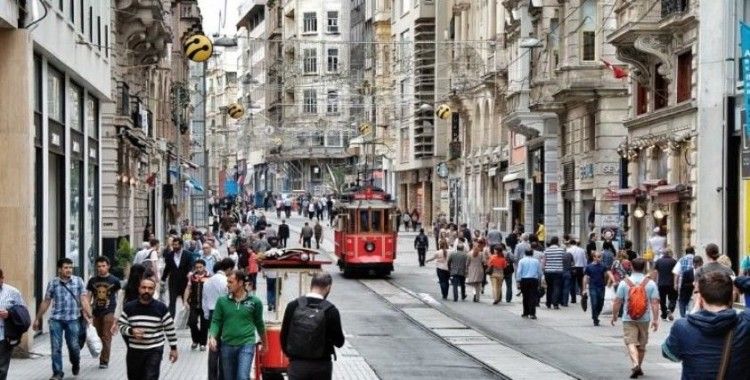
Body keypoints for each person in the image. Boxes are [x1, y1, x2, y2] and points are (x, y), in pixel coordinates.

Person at [662, 271, 750, 379]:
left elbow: (669, 354)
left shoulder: (682, 327)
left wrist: (692, 313)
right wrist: (737, 281)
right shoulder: (746, 323)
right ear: (731, 297)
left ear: (701, 299)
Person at [33, 258, 92, 380]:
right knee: (56, 347)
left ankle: (75, 363)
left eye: (70, 267)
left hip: (73, 319)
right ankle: (57, 372)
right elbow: (46, 301)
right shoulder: (53, 283)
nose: (69, 270)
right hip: (56, 319)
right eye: (66, 267)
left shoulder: (78, 281)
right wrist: (37, 318)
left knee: (74, 346)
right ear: (59, 269)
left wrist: (89, 315)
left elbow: (84, 300)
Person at [281, 273, 345, 380]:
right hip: (321, 366)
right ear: (328, 287)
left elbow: (284, 336)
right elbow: (339, 342)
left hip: (297, 365)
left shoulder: (293, 305)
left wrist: (292, 356)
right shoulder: (331, 310)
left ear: (311, 285)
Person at [208, 270, 267, 380]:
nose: (227, 285)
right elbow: (216, 321)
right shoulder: (222, 301)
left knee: (242, 377)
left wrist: (265, 343)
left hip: (246, 343)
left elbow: (259, 323)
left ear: (240, 283)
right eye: (227, 282)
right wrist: (212, 336)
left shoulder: (255, 302)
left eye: (231, 282)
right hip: (227, 345)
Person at [117, 278, 178, 380]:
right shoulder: (129, 307)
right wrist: (131, 331)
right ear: (139, 289)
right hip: (135, 351)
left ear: (154, 290)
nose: (146, 291)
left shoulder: (161, 308)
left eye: (150, 288)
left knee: (150, 377)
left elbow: (169, 328)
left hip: (154, 349)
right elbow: (121, 325)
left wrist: (173, 348)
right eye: (144, 287)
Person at [611, 258, 660, 379]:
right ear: (644, 268)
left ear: (631, 267)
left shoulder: (624, 282)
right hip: (644, 318)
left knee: (630, 342)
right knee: (642, 345)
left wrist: (615, 315)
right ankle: (640, 366)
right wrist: (655, 319)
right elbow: (655, 302)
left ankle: (635, 364)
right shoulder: (651, 283)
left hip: (628, 318)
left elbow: (618, 301)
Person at [86, 256, 121, 369]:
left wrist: (118, 315)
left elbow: (119, 297)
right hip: (96, 311)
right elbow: (88, 297)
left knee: (106, 336)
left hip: (109, 310)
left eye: (103, 266)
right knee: (98, 335)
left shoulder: (114, 280)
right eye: (98, 266)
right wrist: (87, 312)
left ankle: (104, 361)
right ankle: (100, 354)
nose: (101, 268)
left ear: (108, 266)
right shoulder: (92, 281)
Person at [202, 258, 232, 380]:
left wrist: (206, 315)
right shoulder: (227, 281)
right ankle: (223, 376)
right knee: (224, 347)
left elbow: (204, 301)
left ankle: (212, 377)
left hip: (211, 313)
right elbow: (229, 298)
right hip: (224, 315)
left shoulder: (207, 282)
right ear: (228, 269)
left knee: (213, 347)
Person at [0, 268, 25, 379]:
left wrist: (9, 313)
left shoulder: (12, 292)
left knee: (1, 368)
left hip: (4, 335)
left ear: (2, 279)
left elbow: (23, 312)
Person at [184, 259, 210, 351]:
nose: (198, 269)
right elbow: (188, 288)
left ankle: (203, 343)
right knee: (192, 322)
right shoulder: (192, 276)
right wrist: (185, 301)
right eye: (197, 267)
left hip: (205, 305)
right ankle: (195, 340)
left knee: (204, 325)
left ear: (204, 267)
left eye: (200, 267)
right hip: (194, 303)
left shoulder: (209, 276)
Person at [161, 237, 192, 317]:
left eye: (176, 245)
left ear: (181, 245)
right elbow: (167, 268)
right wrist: (163, 279)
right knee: (172, 301)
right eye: (173, 245)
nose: (174, 246)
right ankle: (171, 319)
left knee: (186, 300)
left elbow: (190, 267)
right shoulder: (169, 255)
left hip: (184, 282)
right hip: (173, 282)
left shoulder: (188, 254)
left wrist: (190, 274)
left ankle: (188, 319)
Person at [583, 252, 613, 326]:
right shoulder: (589, 267)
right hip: (592, 287)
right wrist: (584, 289)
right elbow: (585, 277)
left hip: (601, 287)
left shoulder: (603, 266)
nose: (598, 258)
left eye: (599, 257)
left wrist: (612, 280)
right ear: (593, 257)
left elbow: (608, 273)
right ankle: (595, 318)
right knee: (594, 303)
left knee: (600, 303)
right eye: (596, 257)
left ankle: (596, 315)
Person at [517, 248, 543, 319]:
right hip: (533, 280)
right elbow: (540, 272)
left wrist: (518, 281)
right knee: (532, 297)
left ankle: (525, 313)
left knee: (525, 296)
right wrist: (539, 278)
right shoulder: (536, 261)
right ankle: (532, 314)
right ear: (532, 254)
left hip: (524, 280)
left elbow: (519, 271)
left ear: (525, 253)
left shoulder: (521, 261)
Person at [653, 249, 678, 321]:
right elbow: (676, 273)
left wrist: (654, 282)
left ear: (663, 254)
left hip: (661, 284)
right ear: (669, 253)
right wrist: (676, 283)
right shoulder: (673, 261)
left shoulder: (659, 261)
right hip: (671, 283)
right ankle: (670, 309)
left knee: (662, 300)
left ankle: (664, 314)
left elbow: (655, 272)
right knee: (673, 298)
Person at [542, 237, 565, 310]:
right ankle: (555, 304)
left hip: (548, 271)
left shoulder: (547, 250)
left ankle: (548, 303)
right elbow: (563, 260)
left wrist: (543, 270)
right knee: (557, 287)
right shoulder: (561, 250)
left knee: (549, 287)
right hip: (558, 271)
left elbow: (544, 262)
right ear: (557, 242)